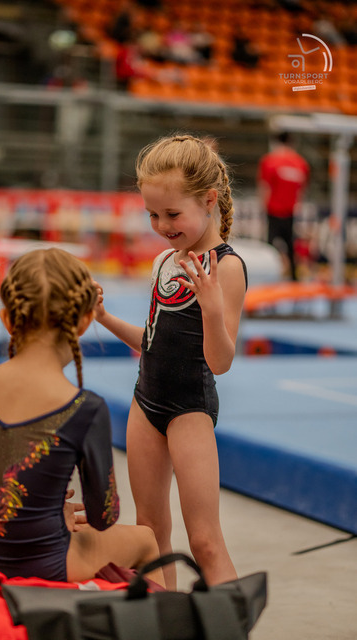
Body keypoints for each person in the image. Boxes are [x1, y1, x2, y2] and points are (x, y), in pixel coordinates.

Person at [0, 248, 164, 586]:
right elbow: (103, 516)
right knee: (147, 539)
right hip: (47, 562)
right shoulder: (84, 408)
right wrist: (54, 514)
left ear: (7, 320)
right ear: (84, 321)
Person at [94, 134, 248, 588]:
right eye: (153, 214)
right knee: (149, 531)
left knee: (204, 540)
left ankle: (231, 618)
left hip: (188, 409)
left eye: (172, 214)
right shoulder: (165, 260)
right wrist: (103, 318)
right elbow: (151, 342)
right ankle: (163, 620)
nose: (161, 225)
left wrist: (212, 310)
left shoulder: (227, 266)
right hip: (145, 403)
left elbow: (220, 362)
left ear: (209, 200)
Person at [258, 131, 310, 281]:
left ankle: (266, 275)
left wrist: (262, 207)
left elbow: (264, 187)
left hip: (273, 210)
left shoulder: (270, 161)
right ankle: (294, 277)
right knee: (290, 247)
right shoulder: (301, 163)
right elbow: (302, 190)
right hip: (290, 211)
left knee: (269, 247)